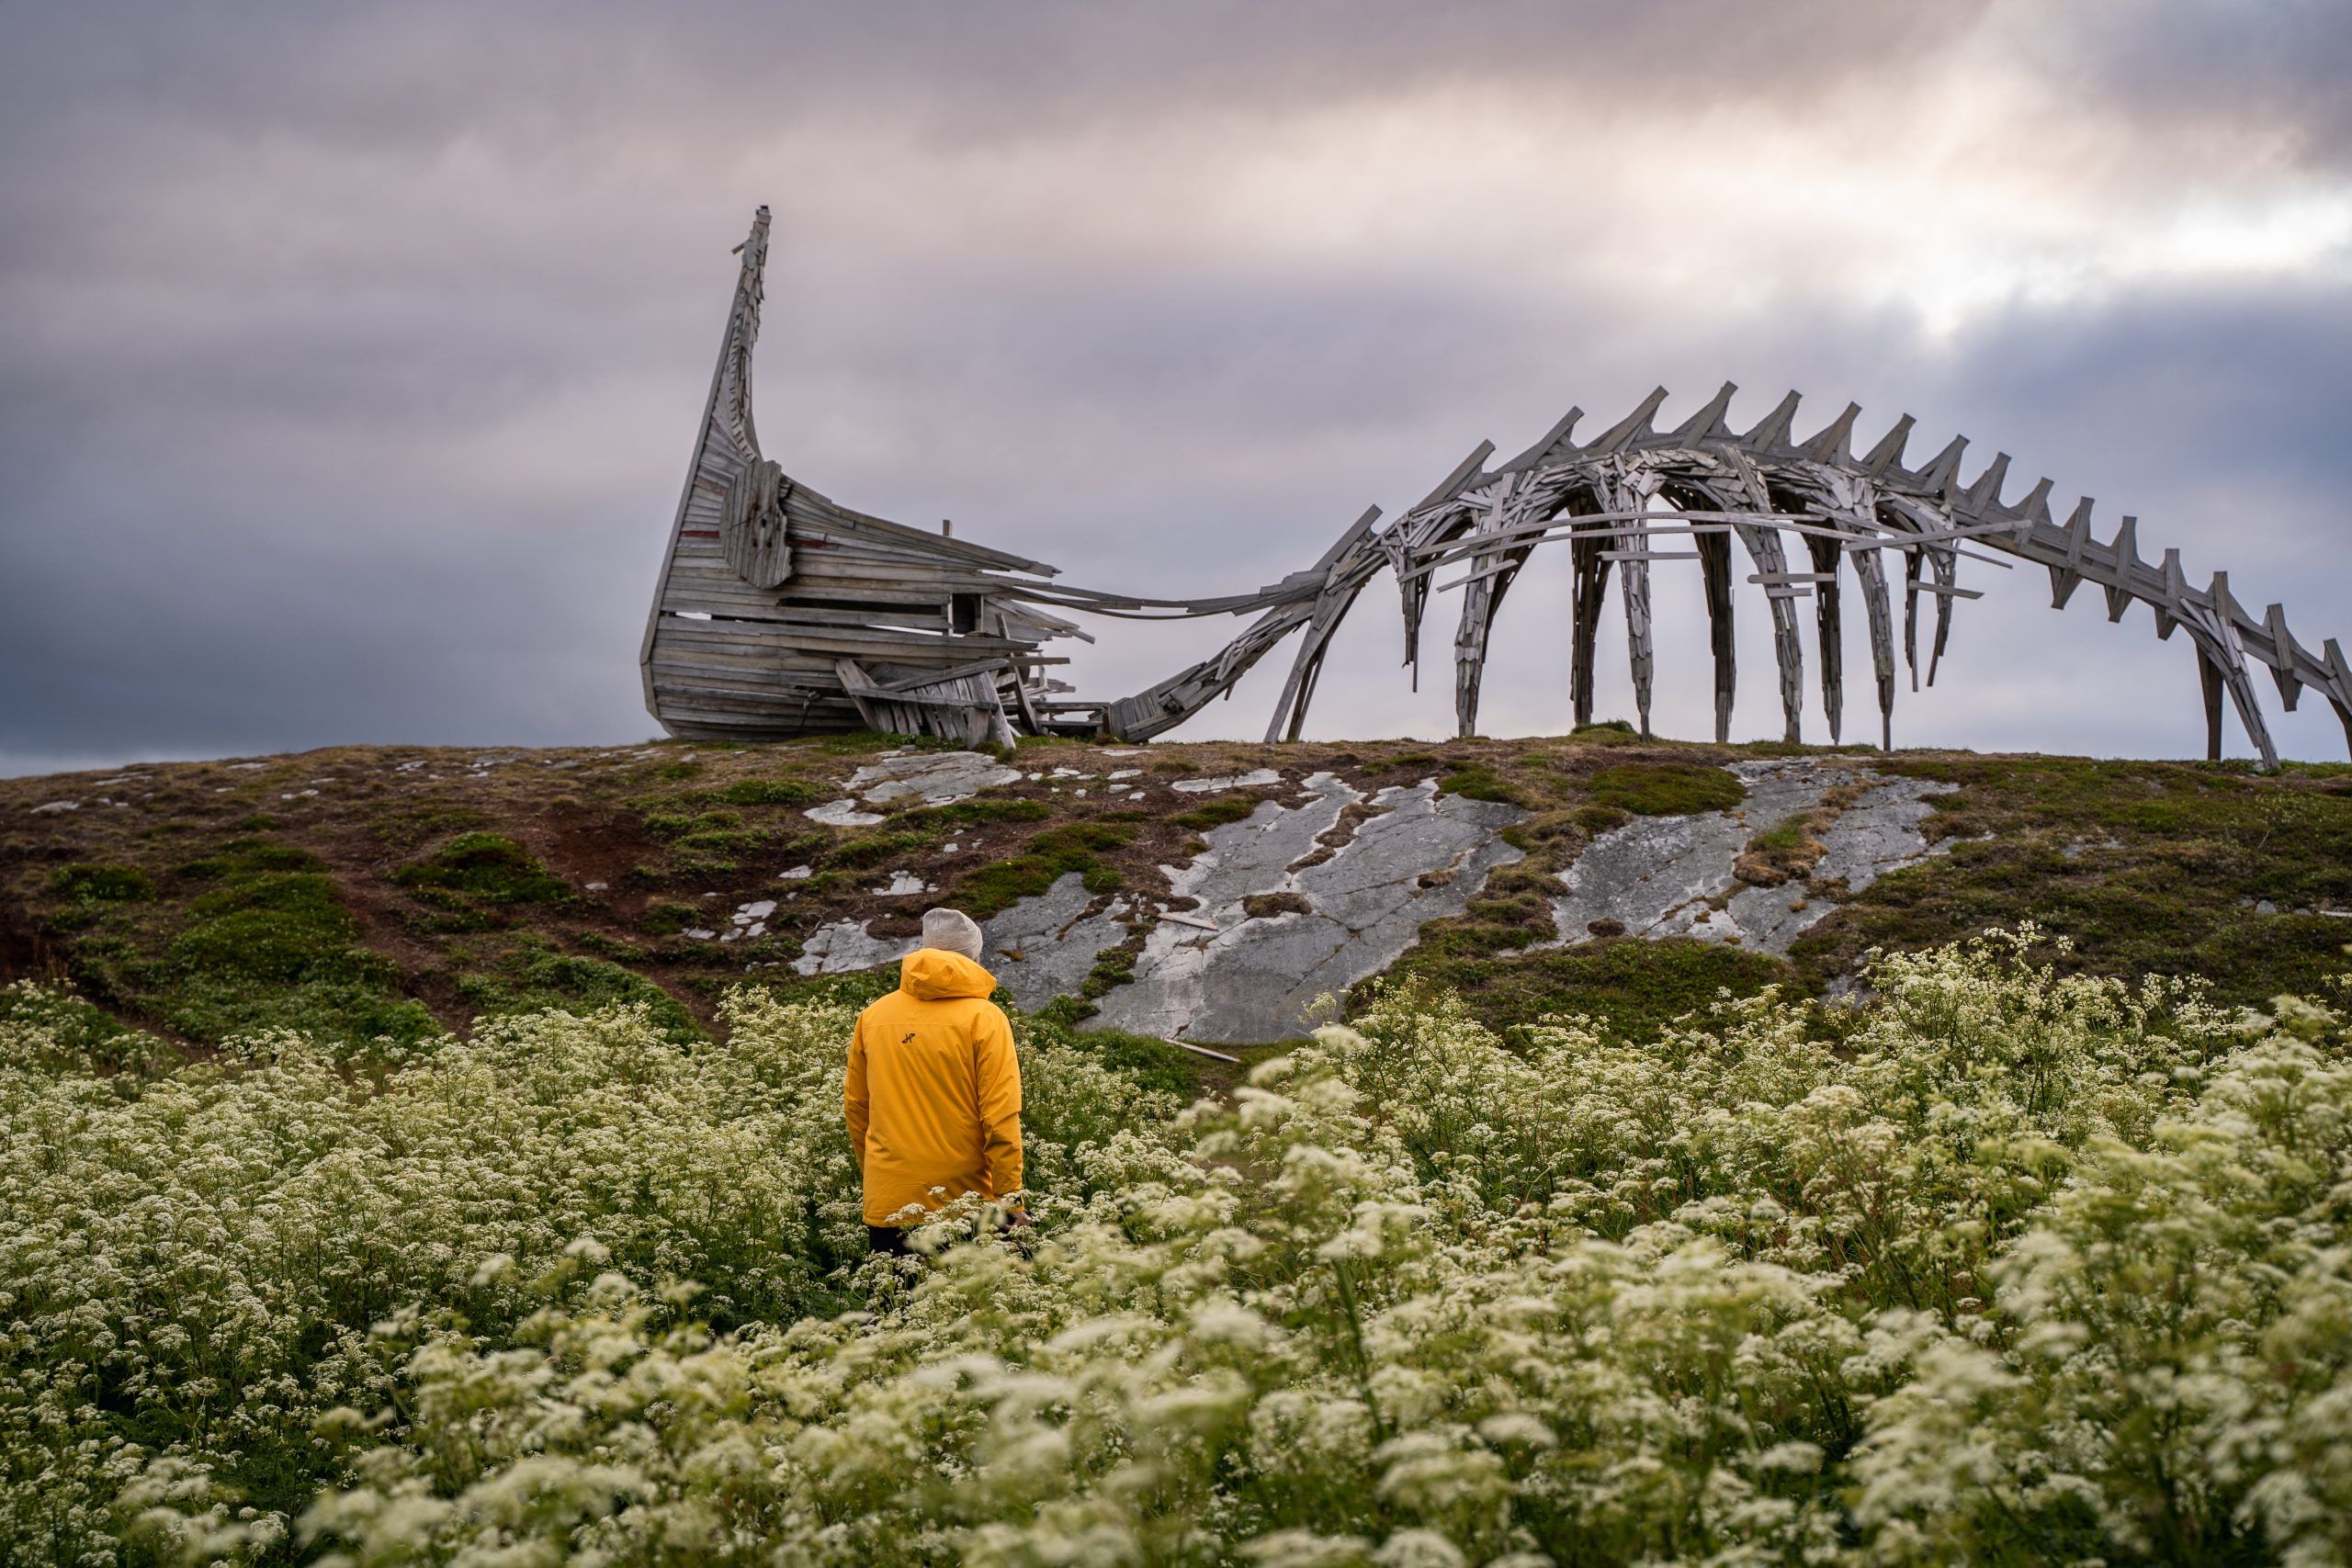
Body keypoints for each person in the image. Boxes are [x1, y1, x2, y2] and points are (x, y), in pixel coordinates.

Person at [843, 907, 1027, 1256]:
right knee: (976, 1306)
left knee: (894, 1307)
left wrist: (880, 1177)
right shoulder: (985, 1019)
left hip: (891, 1200)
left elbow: (856, 1108)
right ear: (974, 957)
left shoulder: (873, 1015)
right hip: (965, 1203)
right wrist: (1011, 1198)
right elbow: (1000, 1117)